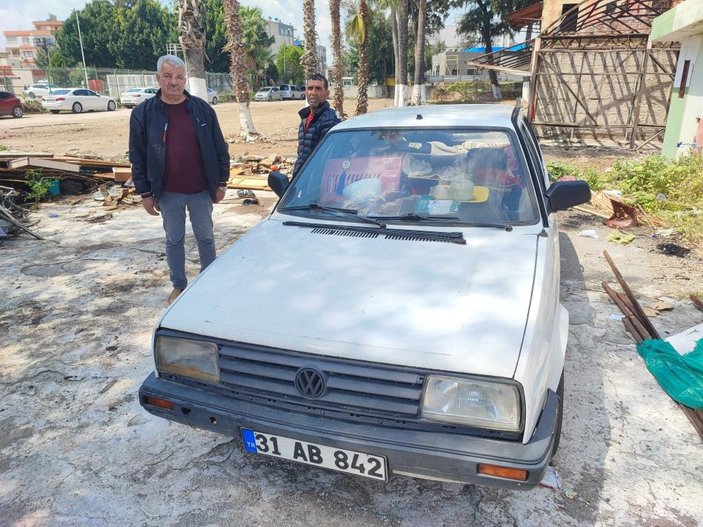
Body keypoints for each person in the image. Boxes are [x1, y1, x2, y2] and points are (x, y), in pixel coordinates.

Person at [129, 54, 230, 305]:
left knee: (206, 238)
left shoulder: (202, 109)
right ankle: (179, 286)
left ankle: (209, 281)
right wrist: (145, 193)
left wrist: (222, 182)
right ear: (158, 78)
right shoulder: (144, 114)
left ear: (184, 79)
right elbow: (138, 156)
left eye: (179, 77)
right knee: (174, 240)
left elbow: (220, 146)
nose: (174, 82)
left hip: (201, 191)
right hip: (168, 192)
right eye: (168, 76)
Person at [292, 73, 341, 177]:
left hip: (316, 182)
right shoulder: (305, 118)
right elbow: (302, 154)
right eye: (310, 88)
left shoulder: (329, 120)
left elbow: (326, 157)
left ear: (326, 93)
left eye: (318, 89)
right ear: (306, 91)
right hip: (302, 178)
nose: (313, 93)